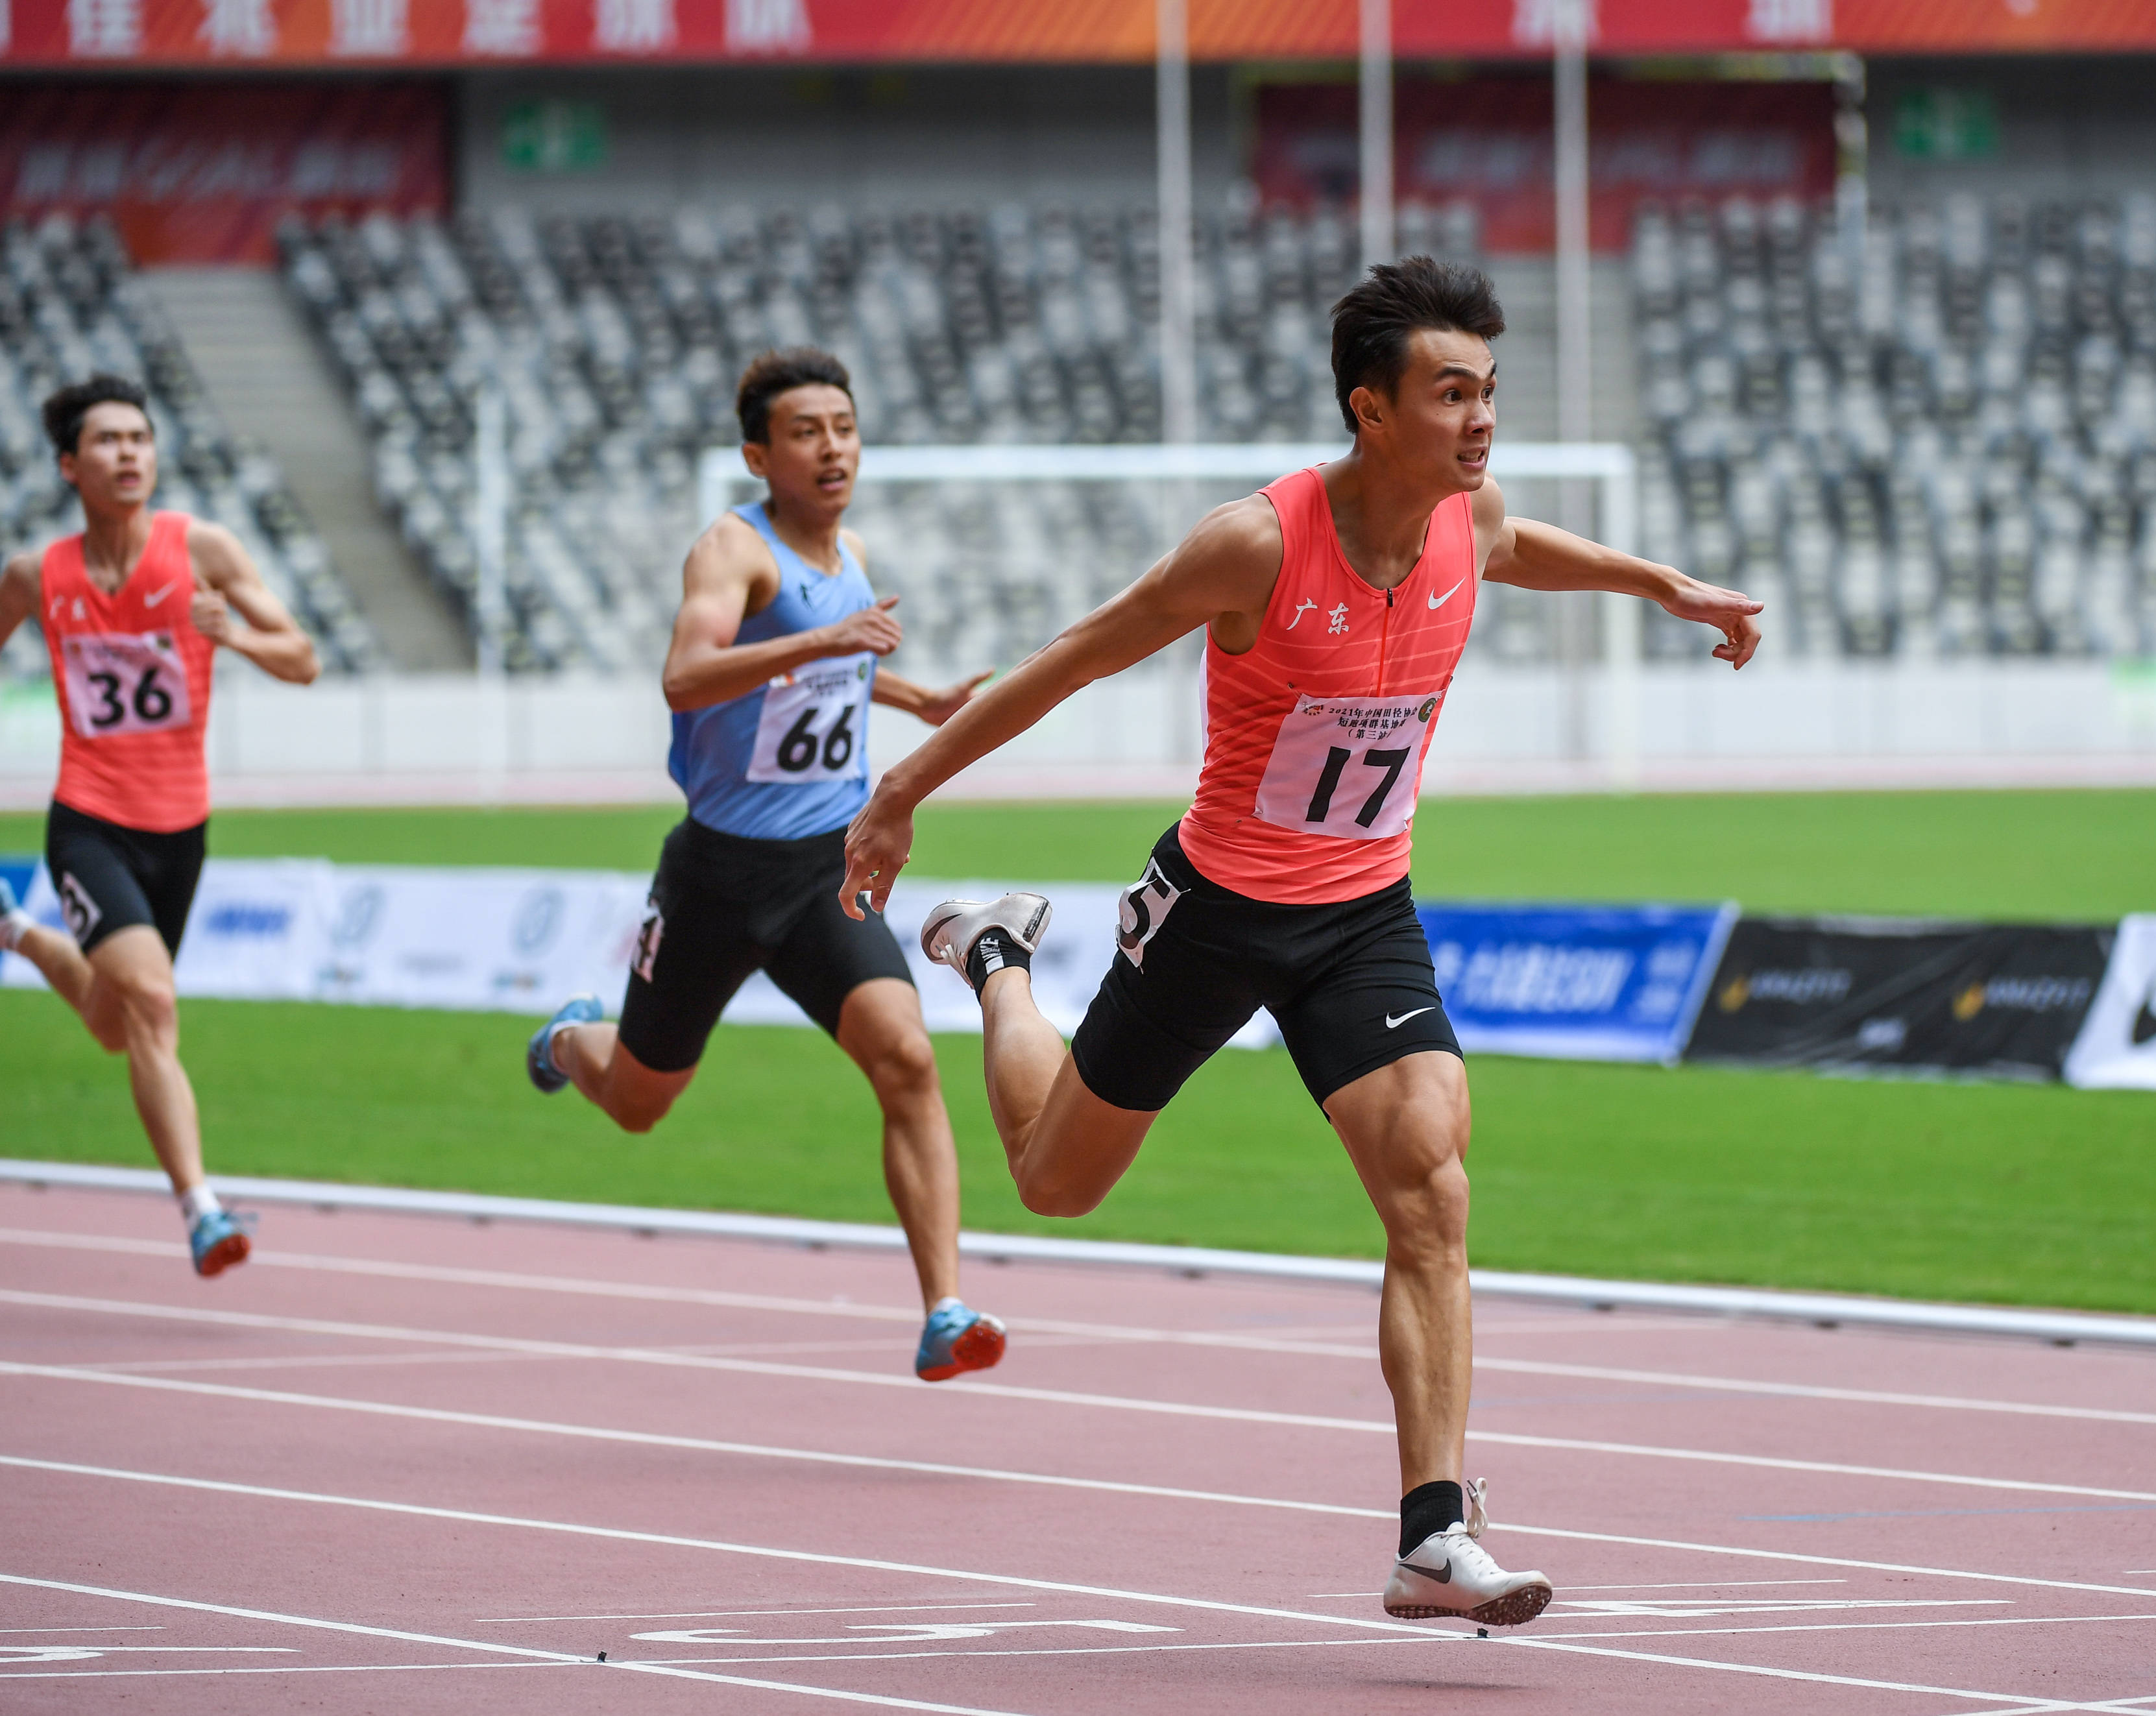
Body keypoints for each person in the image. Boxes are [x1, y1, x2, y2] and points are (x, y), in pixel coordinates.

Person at [836, 258, 1762, 1623]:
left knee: (1429, 1187)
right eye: (1452, 393)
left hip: (1360, 915)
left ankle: (1432, 1533)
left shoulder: (1466, 518)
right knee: (1055, 1185)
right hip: (1212, 910)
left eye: (1489, 391)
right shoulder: (1254, 545)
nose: (1481, 418)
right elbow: (1076, 655)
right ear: (1369, 411)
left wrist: (1664, 586)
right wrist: (904, 788)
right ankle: (998, 963)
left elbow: (1522, 547)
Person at [526, 346, 1010, 1383]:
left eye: (843, 425)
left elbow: (822, 670)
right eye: (806, 431)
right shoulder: (732, 552)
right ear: (759, 453)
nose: (832, 446)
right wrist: (824, 639)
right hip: (714, 876)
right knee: (640, 1099)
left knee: (910, 1058)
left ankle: (943, 1306)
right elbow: (687, 675)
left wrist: (908, 694)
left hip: (818, 869)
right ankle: (571, 1040)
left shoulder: (852, 552)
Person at [0, 374, 322, 1277]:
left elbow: (303, 658)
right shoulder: (39, 574)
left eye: (141, 439)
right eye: (109, 441)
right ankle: (201, 1207)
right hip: (89, 820)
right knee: (154, 1005)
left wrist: (230, 635)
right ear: (70, 464)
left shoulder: (203, 550)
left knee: (118, 1024)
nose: (129, 453)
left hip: (179, 830)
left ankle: (11, 929)